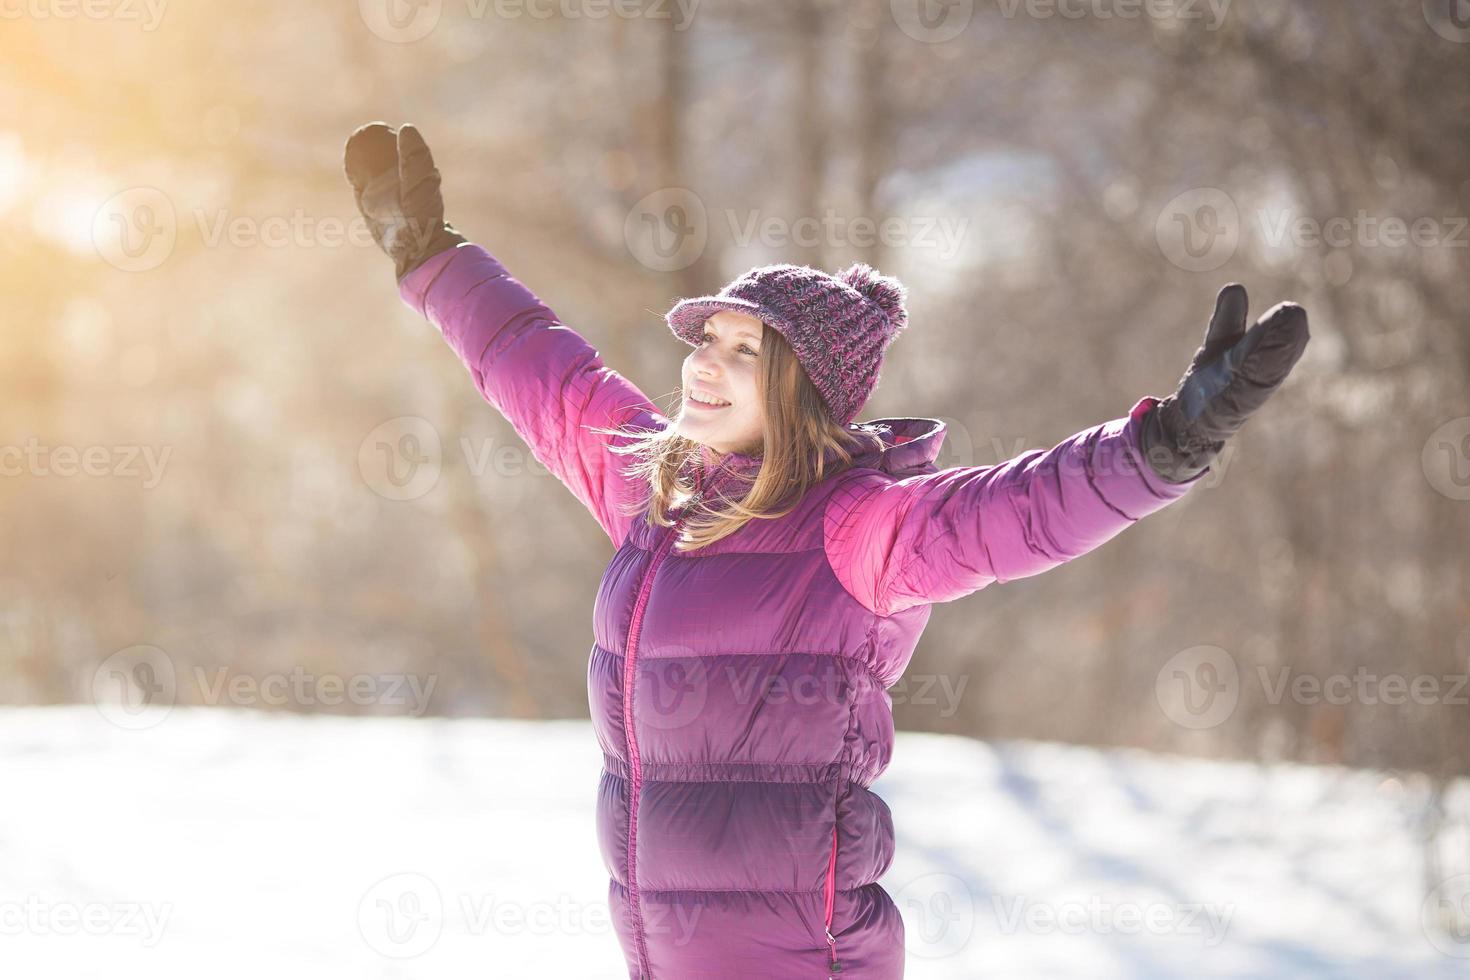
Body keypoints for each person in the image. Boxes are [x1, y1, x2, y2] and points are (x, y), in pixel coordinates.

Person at [344, 122, 1309, 979]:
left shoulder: (857, 529)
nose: (703, 364)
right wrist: (430, 257)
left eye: (742, 352)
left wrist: (1166, 444)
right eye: (706, 338)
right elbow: (542, 370)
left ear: (802, 391)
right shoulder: (659, 491)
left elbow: (1019, 509)